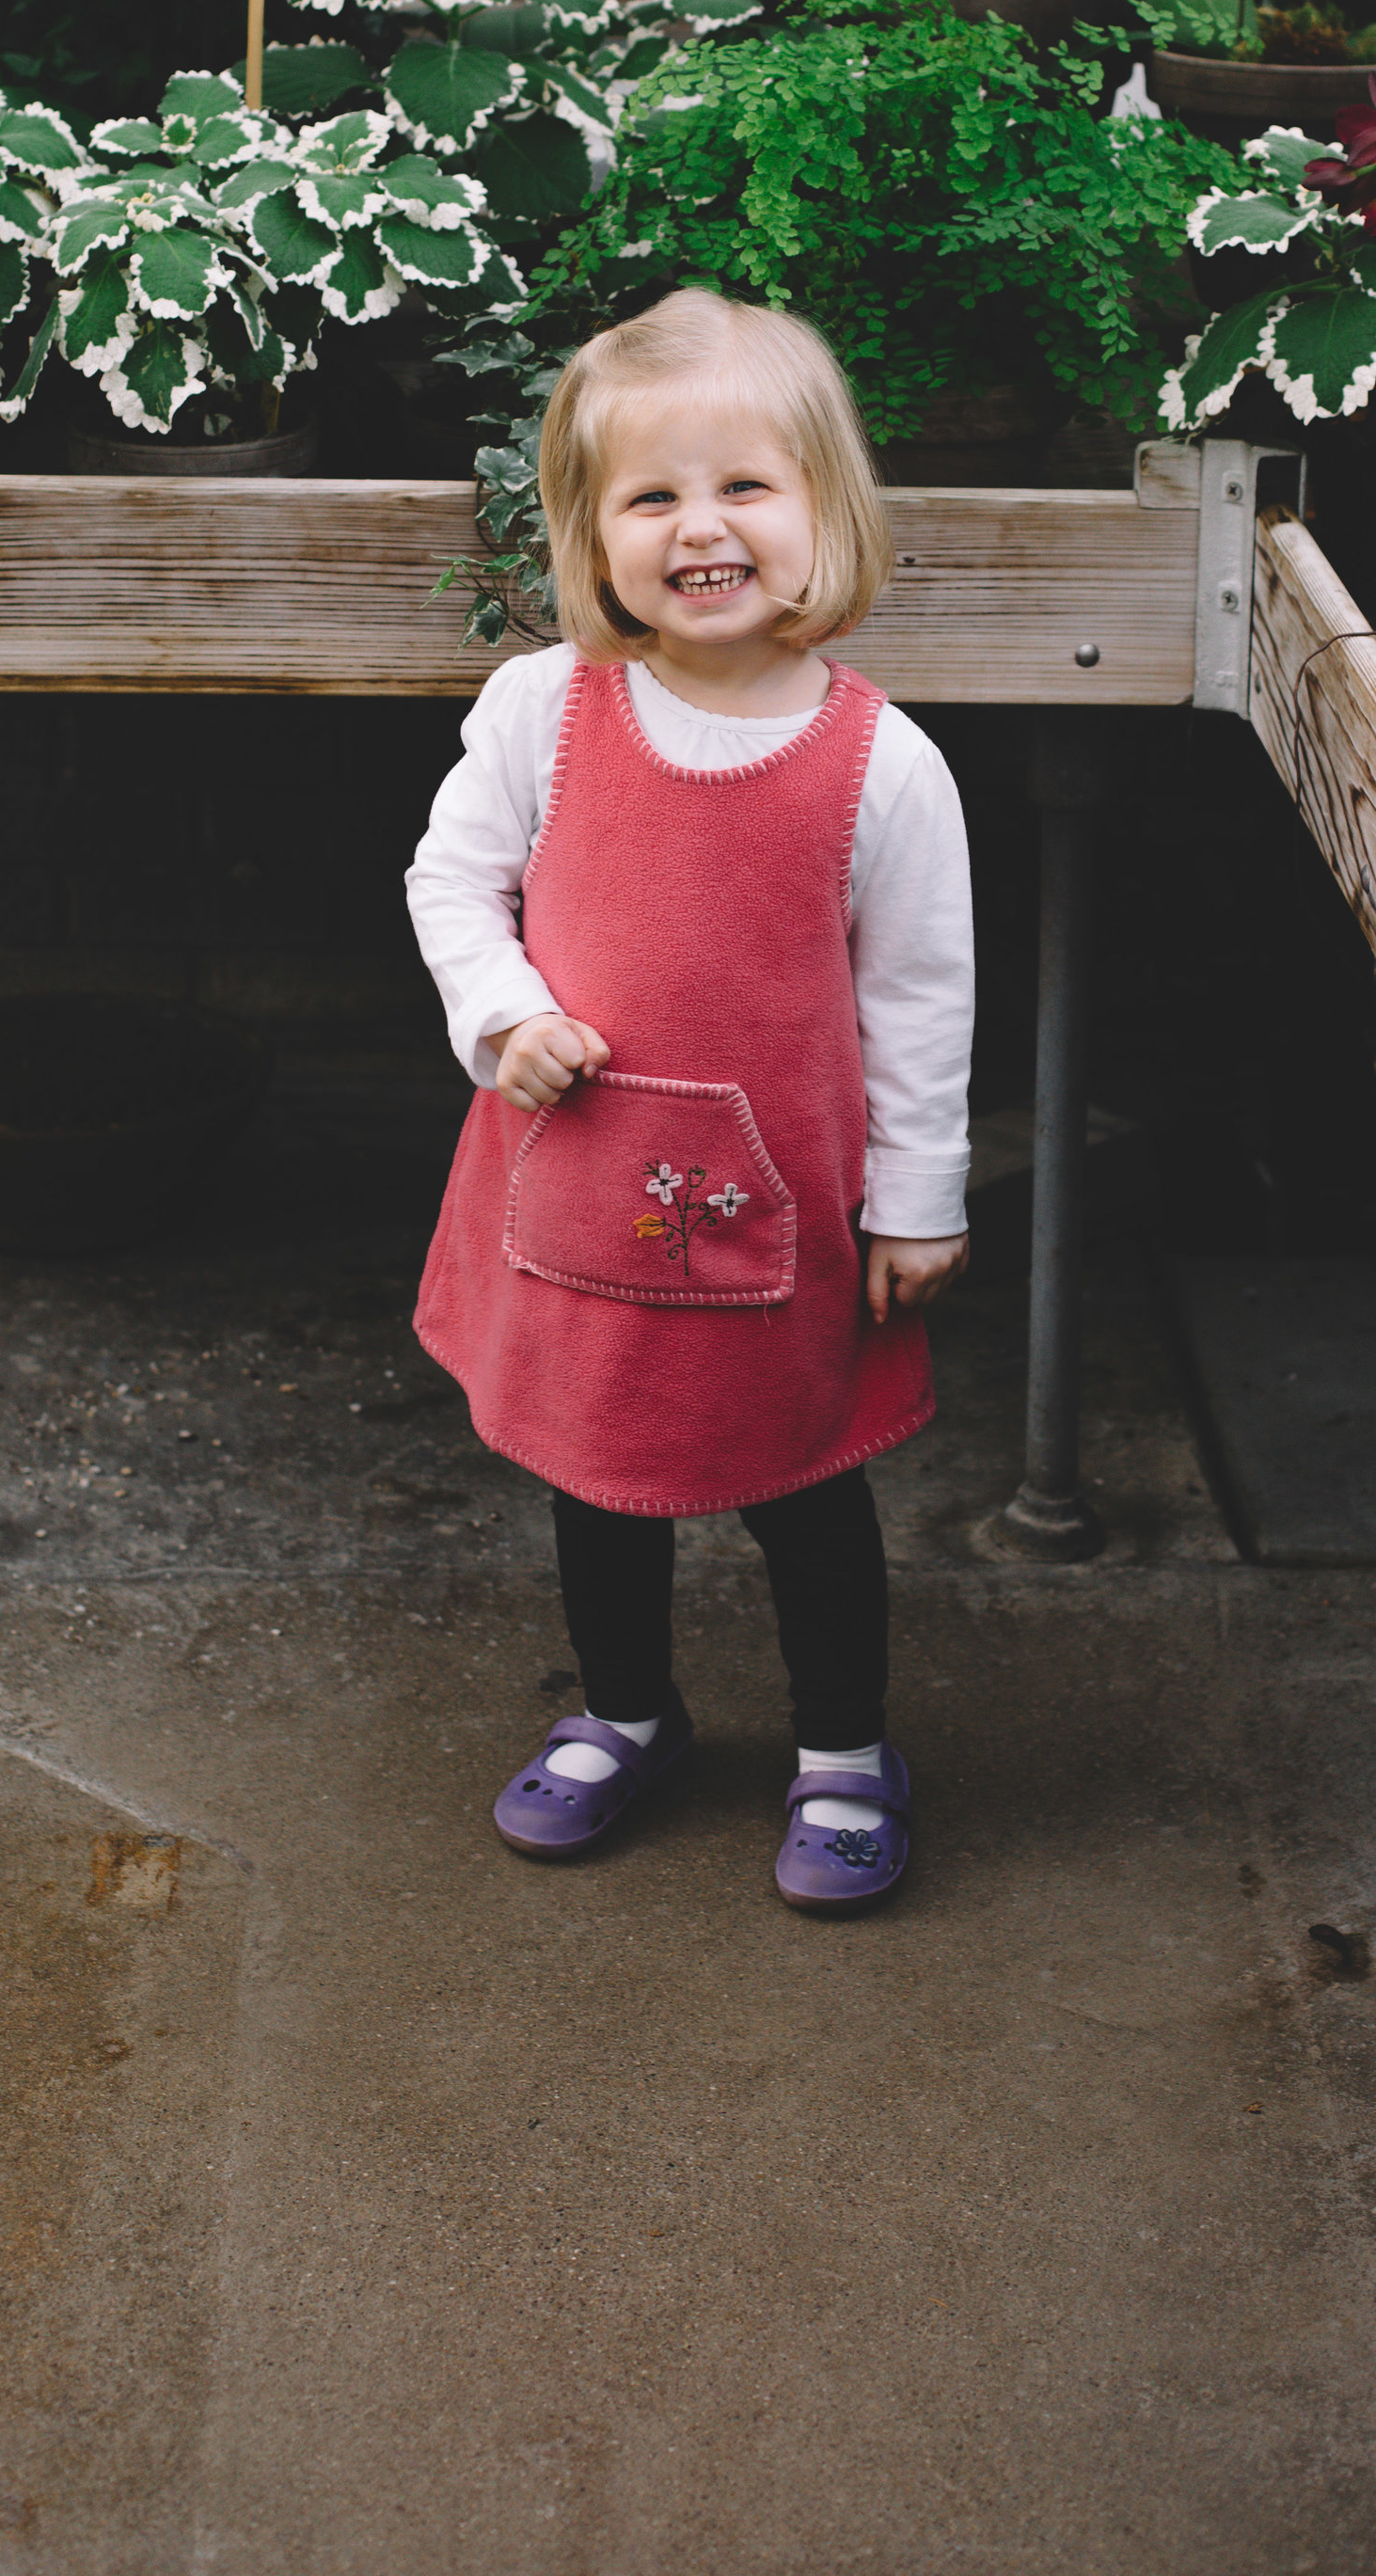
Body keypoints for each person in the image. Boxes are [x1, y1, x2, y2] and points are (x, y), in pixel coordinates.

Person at [405, 288, 973, 1911]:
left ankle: (848, 1750)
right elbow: (453, 882)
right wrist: (502, 1012)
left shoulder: (881, 763)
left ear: (823, 514)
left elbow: (923, 998)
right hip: (577, 1195)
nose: (700, 526)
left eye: (745, 487)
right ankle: (626, 1712)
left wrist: (920, 1199)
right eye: (651, 497)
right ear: (593, 536)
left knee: (807, 1491)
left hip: (785, 1221)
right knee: (602, 1478)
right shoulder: (545, 713)